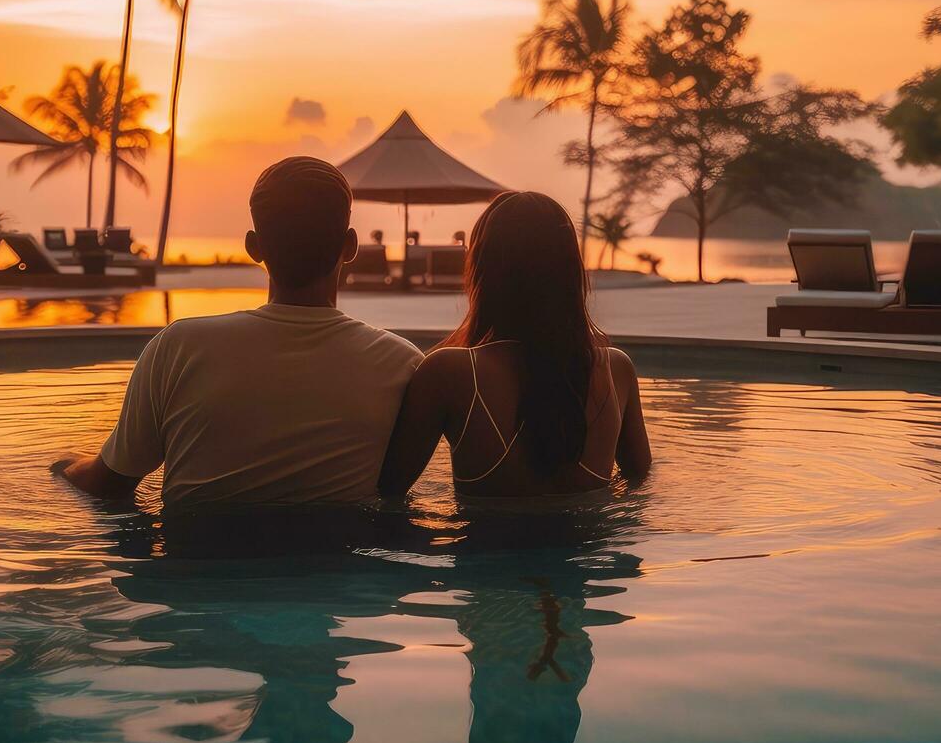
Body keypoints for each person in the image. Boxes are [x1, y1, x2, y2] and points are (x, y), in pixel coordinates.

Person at [55, 157, 423, 505]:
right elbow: (391, 494)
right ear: (351, 246)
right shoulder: (401, 364)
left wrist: (64, 465)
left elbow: (109, 484)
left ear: (253, 247)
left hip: (192, 564)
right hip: (343, 565)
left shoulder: (180, 347)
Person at [379, 191, 651, 498]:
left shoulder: (449, 372)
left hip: (482, 543)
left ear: (484, 270)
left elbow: (388, 492)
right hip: (592, 542)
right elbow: (638, 484)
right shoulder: (616, 370)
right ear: (571, 272)